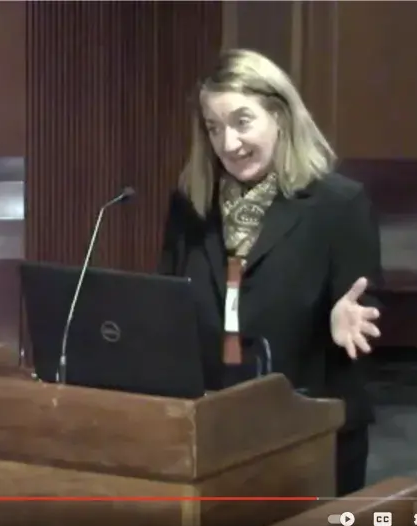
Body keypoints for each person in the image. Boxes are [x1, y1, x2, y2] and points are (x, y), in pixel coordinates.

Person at [158, 49, 382, 496]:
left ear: (280, 115)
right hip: (212, 427)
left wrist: (342, 317)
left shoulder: (338, 204)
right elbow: (168, 301)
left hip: (309, 427)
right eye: (214, 128)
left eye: (242, 122)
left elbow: (364, 306)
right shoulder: (191, 205)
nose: (229, 144)